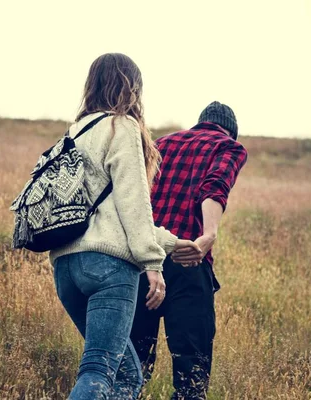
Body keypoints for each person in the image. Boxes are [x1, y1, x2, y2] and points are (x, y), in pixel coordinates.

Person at [49, 53, 201, 400]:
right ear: (132, 87)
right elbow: (133, 205)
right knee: (99, 370)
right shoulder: (122, 127)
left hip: (65, 267)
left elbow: (108, 215)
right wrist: (153, 264)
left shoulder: (73, 133)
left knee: (128, 374)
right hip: (107, 268)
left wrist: (174, 242)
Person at [130, 101, 248, 399]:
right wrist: (209, 233)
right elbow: (215, 185)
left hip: (142, 262)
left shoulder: (162, 144)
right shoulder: (228, 147)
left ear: (200, 122)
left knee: (132, 367)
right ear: (231, 132)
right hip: (188, 262)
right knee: (191, 375)